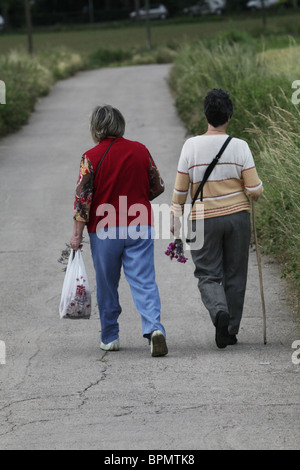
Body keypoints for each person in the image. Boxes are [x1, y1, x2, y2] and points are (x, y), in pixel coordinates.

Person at [70, 105, 168, 357]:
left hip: (104, 228)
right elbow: (157, 186)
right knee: (144, 280)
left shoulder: (90, 157)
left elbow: (83, 200)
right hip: (139, 222)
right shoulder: (141, 150)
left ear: (95, 127)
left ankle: (110, 336)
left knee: (107, 283)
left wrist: (77, 234)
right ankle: (154, 329)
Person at [171, 89, 263, 349]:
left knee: (208, 275)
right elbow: (254, 190)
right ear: (229, 116)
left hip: (202, 219)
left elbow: (179, 192)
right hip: (237, 218)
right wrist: (251, 190)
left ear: (206, 115)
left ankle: (219, 311)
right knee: (236, 274)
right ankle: (230, 329)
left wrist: (175, 217)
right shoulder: (240, 146)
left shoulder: (190, 146)